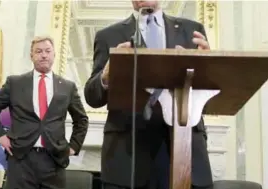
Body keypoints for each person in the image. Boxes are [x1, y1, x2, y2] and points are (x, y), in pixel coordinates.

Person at [84, 1, 213, 189]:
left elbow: (208, 98)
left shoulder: (191, 30)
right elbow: (92, 97)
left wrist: (207, 70)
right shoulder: (108, 36)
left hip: (184, 152)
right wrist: (105, 76)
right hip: (128, 156)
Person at [0, 36, 89, 189]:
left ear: (54, 54)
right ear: (31, 56)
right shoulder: (15, 83)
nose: (43, 55)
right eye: (38, 51)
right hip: (21, 158)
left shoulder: (68, 87)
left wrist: (74, 146)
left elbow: (81, 120)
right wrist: (0, 135)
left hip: (54, 159)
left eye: (47, 51)